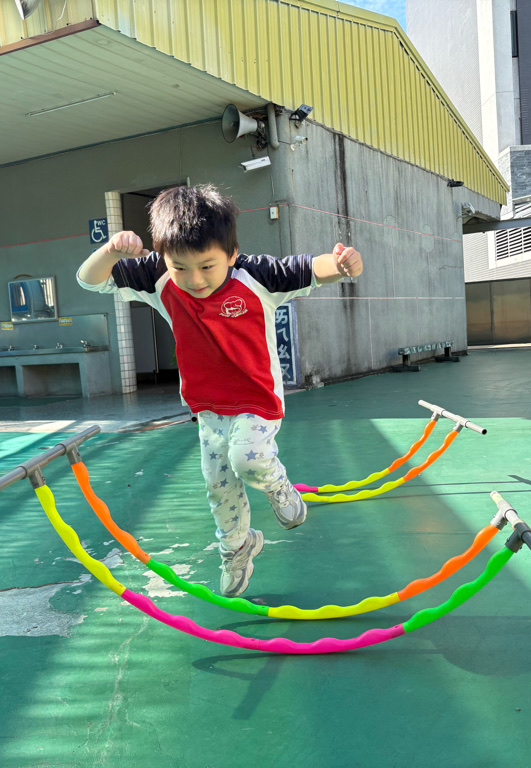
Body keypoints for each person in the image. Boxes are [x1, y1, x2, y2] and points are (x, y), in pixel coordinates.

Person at [77, 184, 362, 596]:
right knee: (219, 486)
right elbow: (89, 280)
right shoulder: (159, 278)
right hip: (208, 409)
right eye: (180, 267)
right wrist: (110, 252)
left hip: (257, 401)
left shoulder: (256, 275)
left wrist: (341, 263)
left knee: (248, 459)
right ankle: (237, 548)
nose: (194, 279)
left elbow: (309, 269)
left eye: (207, 266)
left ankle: (279, 486)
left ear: (231, 254)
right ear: (164, 259)